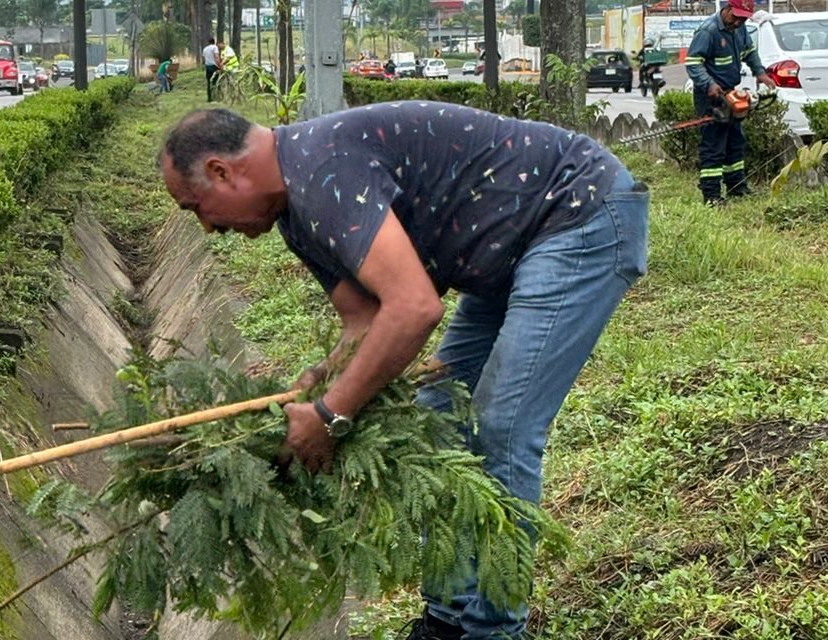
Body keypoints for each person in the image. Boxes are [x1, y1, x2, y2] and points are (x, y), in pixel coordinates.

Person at [159, 103, 649, 640]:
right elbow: (365, 320)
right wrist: (325, 377)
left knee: (503, 427)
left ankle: (494, 630)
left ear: (221, 171)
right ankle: (448, 616)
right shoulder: (295, 214)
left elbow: (414, 309)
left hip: (575, 214)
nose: (207, 228)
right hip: (505, 254)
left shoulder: (321, 169)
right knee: (438, 415)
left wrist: (330, 413)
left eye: (196, 208)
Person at [684, 0, 775, 205]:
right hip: (710, 97)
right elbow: (692, 62)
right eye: (736, 17)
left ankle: (737, 187)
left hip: (730, 93)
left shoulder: (740, 30)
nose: (738, 22)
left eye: (743, 18)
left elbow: (749, 52)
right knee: (713, 144)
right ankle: (712, 194)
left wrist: (760, 72)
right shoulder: (709, 31)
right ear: (726, 9)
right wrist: (709, 84)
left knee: (735, 141)